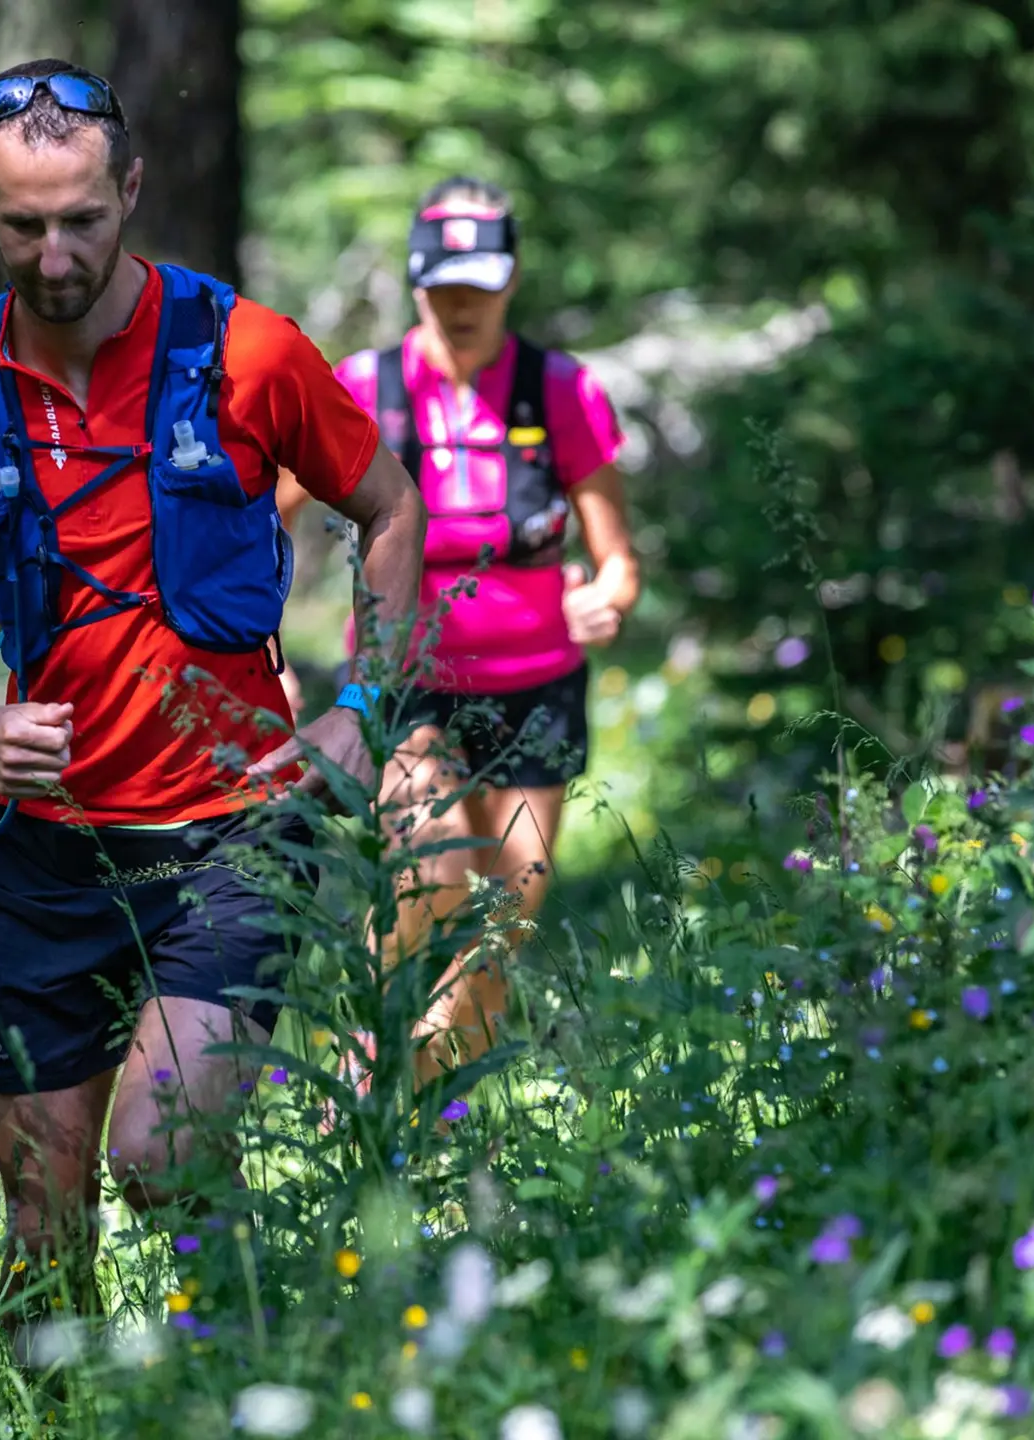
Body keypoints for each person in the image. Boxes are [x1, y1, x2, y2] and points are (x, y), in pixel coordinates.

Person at [0, 59, 424, 1342]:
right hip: (45, 850)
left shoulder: (249, 352)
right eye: (23, 225)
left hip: (232, 831)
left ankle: (243, 1380)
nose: (56, 255)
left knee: (164, 1158)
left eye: (82, 218)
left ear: (131, 186)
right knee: (39, 1211)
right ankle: (59, 1411)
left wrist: (364, 702)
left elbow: (390, 509)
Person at [278, 176, 638, 1093]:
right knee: (428, 874)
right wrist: (262, 652)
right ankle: (367, 1079)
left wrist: (606, 597)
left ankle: (437, 1119)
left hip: (536, 686)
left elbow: (617, 561)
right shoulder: (363, 388)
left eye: (482, 285)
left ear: (512, 281)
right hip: (407, 680)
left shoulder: (561, 391)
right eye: (445, 287)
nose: (464, 307)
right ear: (415, 283)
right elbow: (261, 522)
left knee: (503, 921)